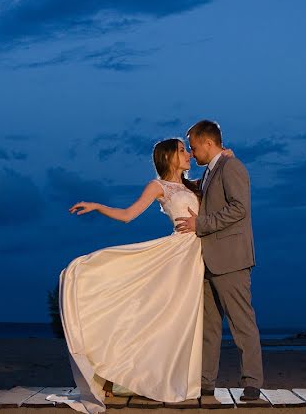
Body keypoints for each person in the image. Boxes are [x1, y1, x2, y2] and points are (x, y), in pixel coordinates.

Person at [49, 138, 232, 414]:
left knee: (178, 321)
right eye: (182, 150)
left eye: (188, 149)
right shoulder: (158, 186)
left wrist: (225, 157)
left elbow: (217, 187)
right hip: (176, 256)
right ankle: (114, 373)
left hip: (196, 258)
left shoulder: (196, 184)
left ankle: (172, 377)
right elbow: (127, 215)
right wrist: (97, 206)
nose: (189, 155)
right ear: (168, 157)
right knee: (151, 314)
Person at [174, 120, 263, 402]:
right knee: (208, 328)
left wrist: (200, 224)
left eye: (194, 146)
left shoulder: (231, 167)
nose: (192, 151)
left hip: (231, 259)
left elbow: (239, 208)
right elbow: (194, 188)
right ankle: (205, 382)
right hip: (208, 262)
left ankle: (251, 383)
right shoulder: (213, 171)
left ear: (208, 143)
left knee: (241, 324)